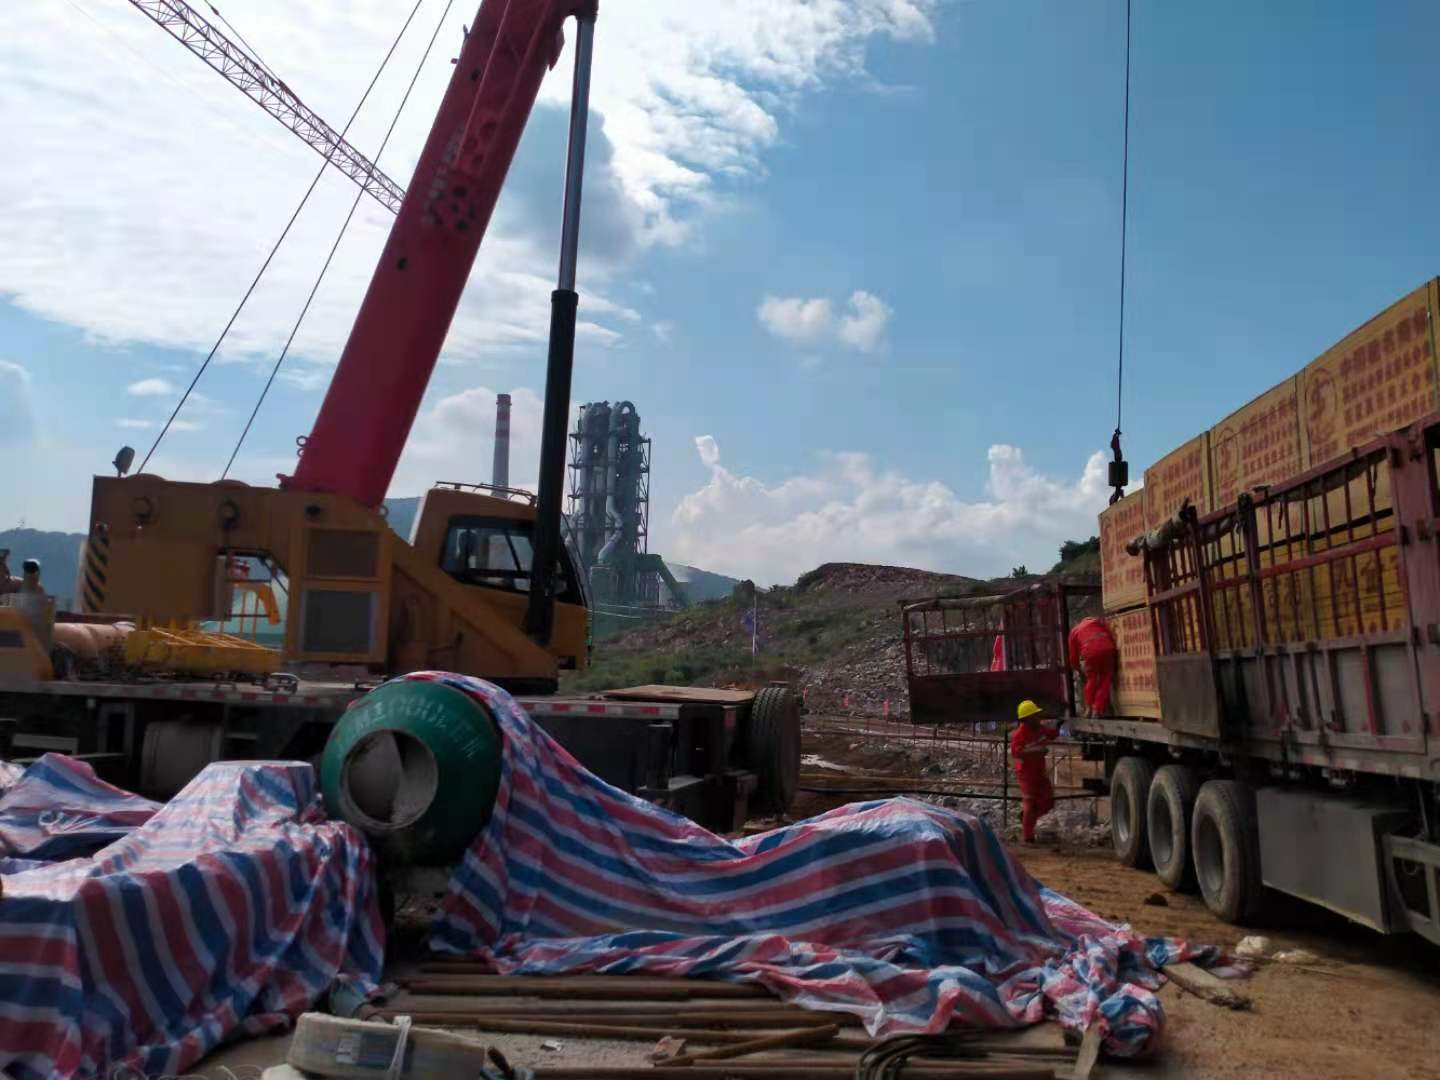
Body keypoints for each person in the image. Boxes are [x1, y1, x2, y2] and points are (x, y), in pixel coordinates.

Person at [1011, 699, 1059, 843]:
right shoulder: (1019, 734)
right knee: (1030, 803)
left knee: (1048, 802)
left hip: (1039, 772)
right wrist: (1036, 750)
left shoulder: (1041, 729)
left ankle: (1027, 817)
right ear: (1026, 719)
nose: (1038, 718)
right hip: (1026, 774)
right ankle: (1028, 837)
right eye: (1035, 716)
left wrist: (1059, 724)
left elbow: (1052, 734)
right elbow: (1016, 753)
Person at [1067, 615, 1117, 718]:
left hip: (1090, 653)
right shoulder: (1097, 623)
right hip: (1108, 649)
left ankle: (1089, 708)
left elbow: (1073, 656)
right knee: (1106, 679)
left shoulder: (1074, 631)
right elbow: (1109, 635)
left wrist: (1076, 667)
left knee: (1092, 679)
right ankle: (1097, 709)